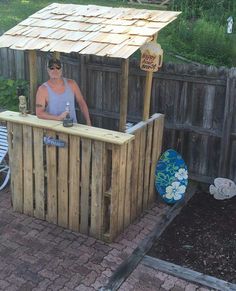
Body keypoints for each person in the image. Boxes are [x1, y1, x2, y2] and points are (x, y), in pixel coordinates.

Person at [36, 58, 91, 126]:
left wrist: (88, 122)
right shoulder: (42, 89)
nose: (55, 70)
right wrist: (58, 118)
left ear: (61, 70)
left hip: (72, 128)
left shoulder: (72, 84)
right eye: (52, 68)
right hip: (52, 130)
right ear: (48, 70)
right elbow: (39, 113)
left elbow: (81, 102)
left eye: (58, 68)